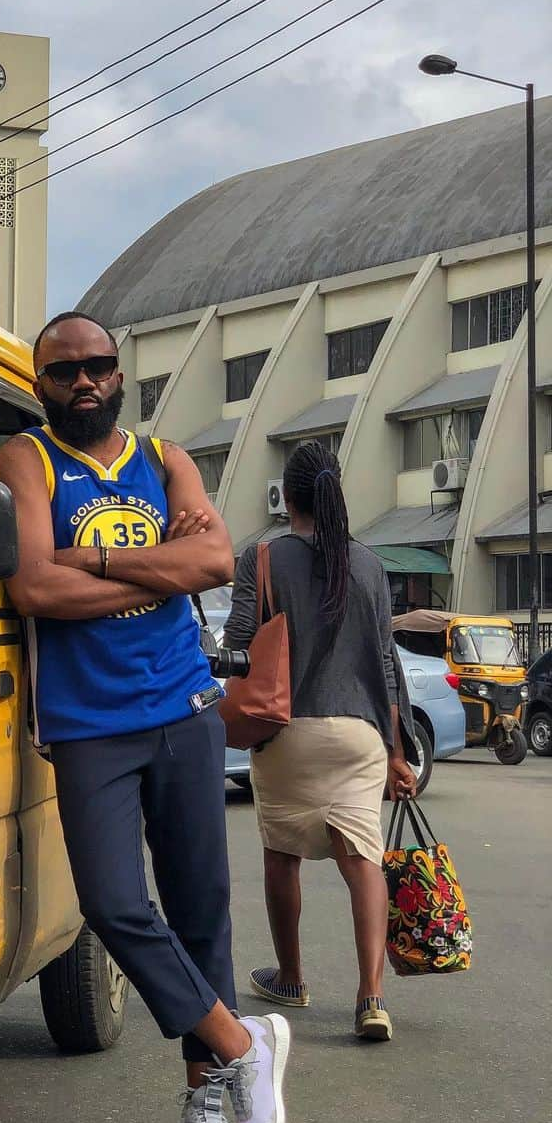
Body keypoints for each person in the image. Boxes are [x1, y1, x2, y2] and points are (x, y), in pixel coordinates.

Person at [0, 311, 292, 1123]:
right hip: (88, 725)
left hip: (184, 708)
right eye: (63, 372)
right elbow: (33, 587)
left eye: (97, 367)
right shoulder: (28, 460)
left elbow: (215, 562)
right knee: (116, 904)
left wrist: (85, 563)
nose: (83, 382)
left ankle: (207, 1102)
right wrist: (150, 559)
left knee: (201, 909)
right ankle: (242, 1043)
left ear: (120, 376)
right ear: (41, 384)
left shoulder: (164, 460)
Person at [222, 440, 418, 1043]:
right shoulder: (370, 564)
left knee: (282, 856)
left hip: (288, 731)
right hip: (362, 733)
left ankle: (291, 976)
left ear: (287, 497)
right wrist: (395, 749)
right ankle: (371, 997)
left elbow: (237, 640)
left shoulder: (262, 558)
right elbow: (386, 664)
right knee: (362, 860)